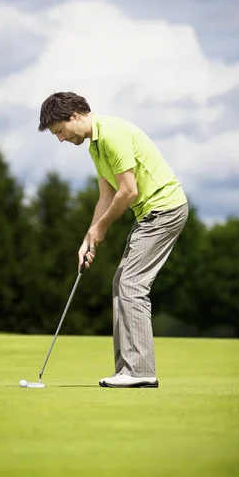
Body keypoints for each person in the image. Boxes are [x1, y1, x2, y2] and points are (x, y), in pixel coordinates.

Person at [38, 92, 188, 388]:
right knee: (122, 281)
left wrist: (102, 228)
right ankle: (127, 371)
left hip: (164, 210)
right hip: (150, 214)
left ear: (76, 116)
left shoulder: (112, 135)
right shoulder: (95, 147)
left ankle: (141, 371)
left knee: (132, 283)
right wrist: (88, 238)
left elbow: (128, 192)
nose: (60, 139)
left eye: (60, 131)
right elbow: (106, 196)